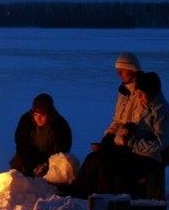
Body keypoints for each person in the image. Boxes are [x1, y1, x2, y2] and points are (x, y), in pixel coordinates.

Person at [60, 52, 146, 197]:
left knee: (102, 162)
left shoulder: (141, 94)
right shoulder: (124, 92)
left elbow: (133, 125)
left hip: (130, 144)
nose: (119, 74)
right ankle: (81, 191)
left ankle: (98, 196)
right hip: (118, 139)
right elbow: (117, 121)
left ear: (132, 70)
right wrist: (108, 136)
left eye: (122, 71)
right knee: (92, 158)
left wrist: (115, 140)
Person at [9, 93, 72, 177]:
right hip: (29, 156)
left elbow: (61, 151)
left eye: (42, 115)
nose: (38, 118)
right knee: (17, 161)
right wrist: (27, 166)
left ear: (50, 114)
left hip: (50, 160)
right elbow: (21, 144)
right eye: (36, 115)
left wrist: (46, 165)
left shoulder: (59, 125)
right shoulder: (26, 120)